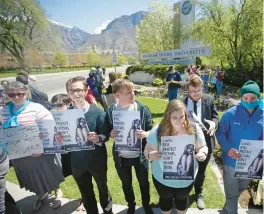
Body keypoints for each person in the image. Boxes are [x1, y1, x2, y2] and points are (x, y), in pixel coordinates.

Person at [0, 81, 64, 212]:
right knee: (32, 178)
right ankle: (40, 194)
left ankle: (58, 192)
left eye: (20, 94)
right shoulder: (3, 111)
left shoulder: (37, 108)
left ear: (26, 93)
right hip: (19, 155)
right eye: (12, 94)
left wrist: (41, 147)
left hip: (40, 152)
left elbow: (50, 129)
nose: (16, 97)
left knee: (49, 174)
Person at [144, 100, 208, 214]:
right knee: (165, 200)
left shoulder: (193, 128)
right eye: (174, 117)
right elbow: (147, 150)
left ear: (185, 114)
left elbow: (203, 147)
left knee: (182, 199)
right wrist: (151, 155)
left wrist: (202, 153)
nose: (179, 120)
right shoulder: (158, 130)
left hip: (186, 178)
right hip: (162, 178)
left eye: (181, 116)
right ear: (168, 115)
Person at [104, 79, 154, 214]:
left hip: (140, 155)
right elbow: (107, 130)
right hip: (121, 156)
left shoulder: (142, 109)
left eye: (133, 91)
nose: (133, 94)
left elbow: (153, 131)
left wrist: (145, 134)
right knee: (126, 184)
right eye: (128, 93)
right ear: (117, 95)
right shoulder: (110, 111)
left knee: (144, 182)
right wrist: (111, 133)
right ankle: (131, 204)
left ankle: (146, 204)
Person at [66, 77, 112, 214]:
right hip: (77, 161)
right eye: (72, 90)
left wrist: (98, 138)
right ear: (68, 93)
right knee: (85, 192)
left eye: (79, 90)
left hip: (96, 159)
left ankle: (108, 211)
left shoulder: (97, 112)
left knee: (102, 188)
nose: (75, 94)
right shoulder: (66, 115)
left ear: (86, 91)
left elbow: (106, 134)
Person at [216, 80, 263, 214]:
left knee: (241, 188)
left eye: (253, 98)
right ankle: (230, 209)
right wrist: (228, 148)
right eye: (245, 98)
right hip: (231, 161)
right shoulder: (230, 114)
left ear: (258, 98)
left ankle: (227, 208)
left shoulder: (263, 115)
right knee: (232, 195)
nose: (249, 101)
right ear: (241, 98)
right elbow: (220, 133)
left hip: (251, 163)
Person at [183, 74, 219, 209]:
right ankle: (185, 194)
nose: (195, 94)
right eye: (192, 91)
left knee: (201, 171)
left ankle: (199, 193)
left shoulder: (209, 100)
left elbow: (215, 116)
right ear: (187, 90)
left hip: (206, 141)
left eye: (198, 91)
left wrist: (214, 124)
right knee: (187, 169)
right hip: (187, 142)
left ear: (202, 88)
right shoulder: (182, 102)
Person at [50, 94, 86, 211]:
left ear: (68, 104)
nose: (56, 108)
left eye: (59, 105)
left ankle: (84, 198)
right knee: (55, 173)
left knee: (79, 176)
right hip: (59, 151)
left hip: (74, 151)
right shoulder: (49, 116)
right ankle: (58, 194)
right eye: (54, 105)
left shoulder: (75, 114)